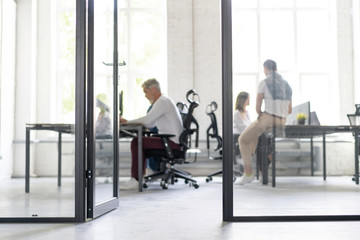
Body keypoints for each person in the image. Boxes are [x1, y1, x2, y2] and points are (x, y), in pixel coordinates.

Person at [119, 78, 183, 190]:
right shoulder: (164, 101)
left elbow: (147, 120)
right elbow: (151, 123)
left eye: (145, 92)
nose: (145, 96)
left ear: (153, 89)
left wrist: (127, 122)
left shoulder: (162, 101)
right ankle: (138, 177)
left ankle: (136, 179)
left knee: (136, 142)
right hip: (171, 141)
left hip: (171, 143)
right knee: (140, 141)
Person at [238, 59, 292, 185]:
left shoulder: (264, 82)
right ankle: (263, 175)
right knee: (260, 139)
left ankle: (248, 173)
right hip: (282, 121)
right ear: (276, 69)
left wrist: (262, 115)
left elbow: (258, 107)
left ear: (266, 69)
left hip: (268, 119)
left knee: (243, 139)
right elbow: (289, 109)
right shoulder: (287, 84)